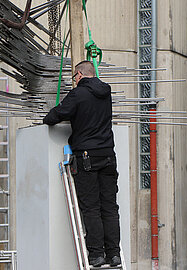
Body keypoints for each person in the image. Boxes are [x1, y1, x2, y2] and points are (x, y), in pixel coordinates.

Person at [43, 61, 121, 267]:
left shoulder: (78, 94)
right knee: (110, 208)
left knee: (91, 208)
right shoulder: (106, 93)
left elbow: (57, 115)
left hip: (87, 157)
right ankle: (114, 254)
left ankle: (96, 255)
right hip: (108, 156)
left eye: (73, 77)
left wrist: (47, 117)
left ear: (78, 75)